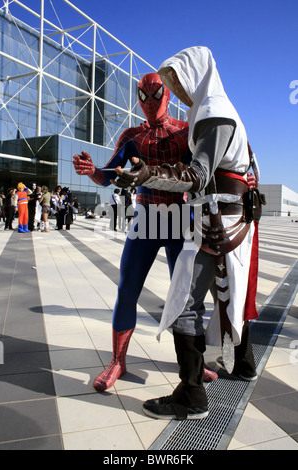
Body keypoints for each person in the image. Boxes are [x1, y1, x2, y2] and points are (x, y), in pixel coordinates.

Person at [114, 47, 262, 420]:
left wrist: (148, 172)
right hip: (225, 223)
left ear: (196, 75)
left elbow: (197, 175)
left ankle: (191, 396)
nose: (174, 90)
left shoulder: (213, 115)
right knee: (228, 296)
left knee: (184, 304)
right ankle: (242, 365)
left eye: (177, 81)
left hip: (217, 225)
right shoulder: (220, 111)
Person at [73, 72, 218, 393]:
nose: (150, 102)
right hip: (147, 218)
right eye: (143, 95)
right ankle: (117, 361)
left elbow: (207, 170)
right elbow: (110, 174)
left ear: (168, 95)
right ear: (136, 97)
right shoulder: (131, 136)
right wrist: (93, 170)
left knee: (185, 295)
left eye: (156, 94)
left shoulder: (187, 130)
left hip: (181, 219)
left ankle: (194, 363)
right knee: (127, 288)